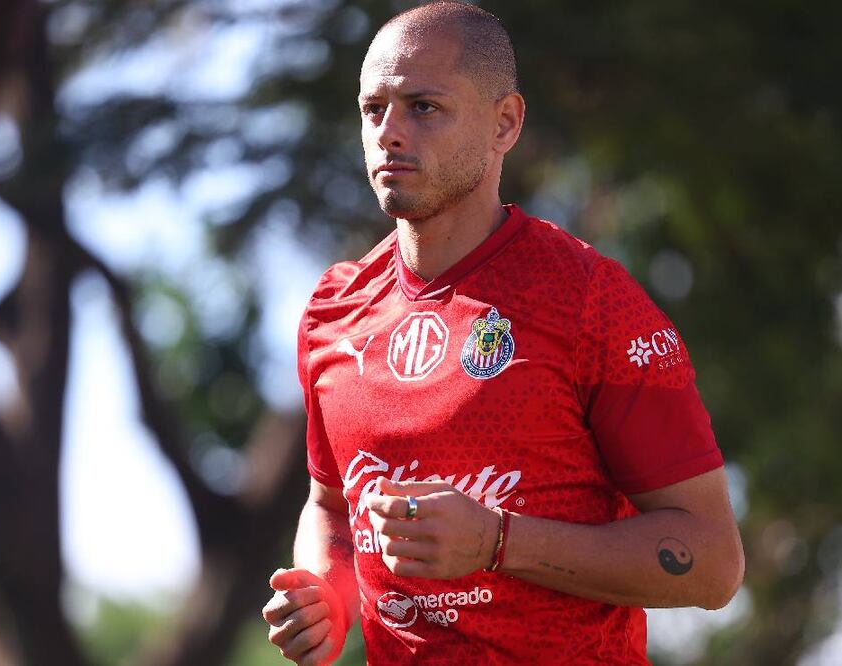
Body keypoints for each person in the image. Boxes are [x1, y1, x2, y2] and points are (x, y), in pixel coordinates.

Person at [261, 2, 745, 664]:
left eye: (423, 107)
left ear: (504, 123)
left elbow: (713, 565)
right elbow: (332, 509)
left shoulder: (588, 301)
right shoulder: (333, 308)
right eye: (373, 110)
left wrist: (496, 542)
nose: (389, 133)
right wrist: (327, 596)